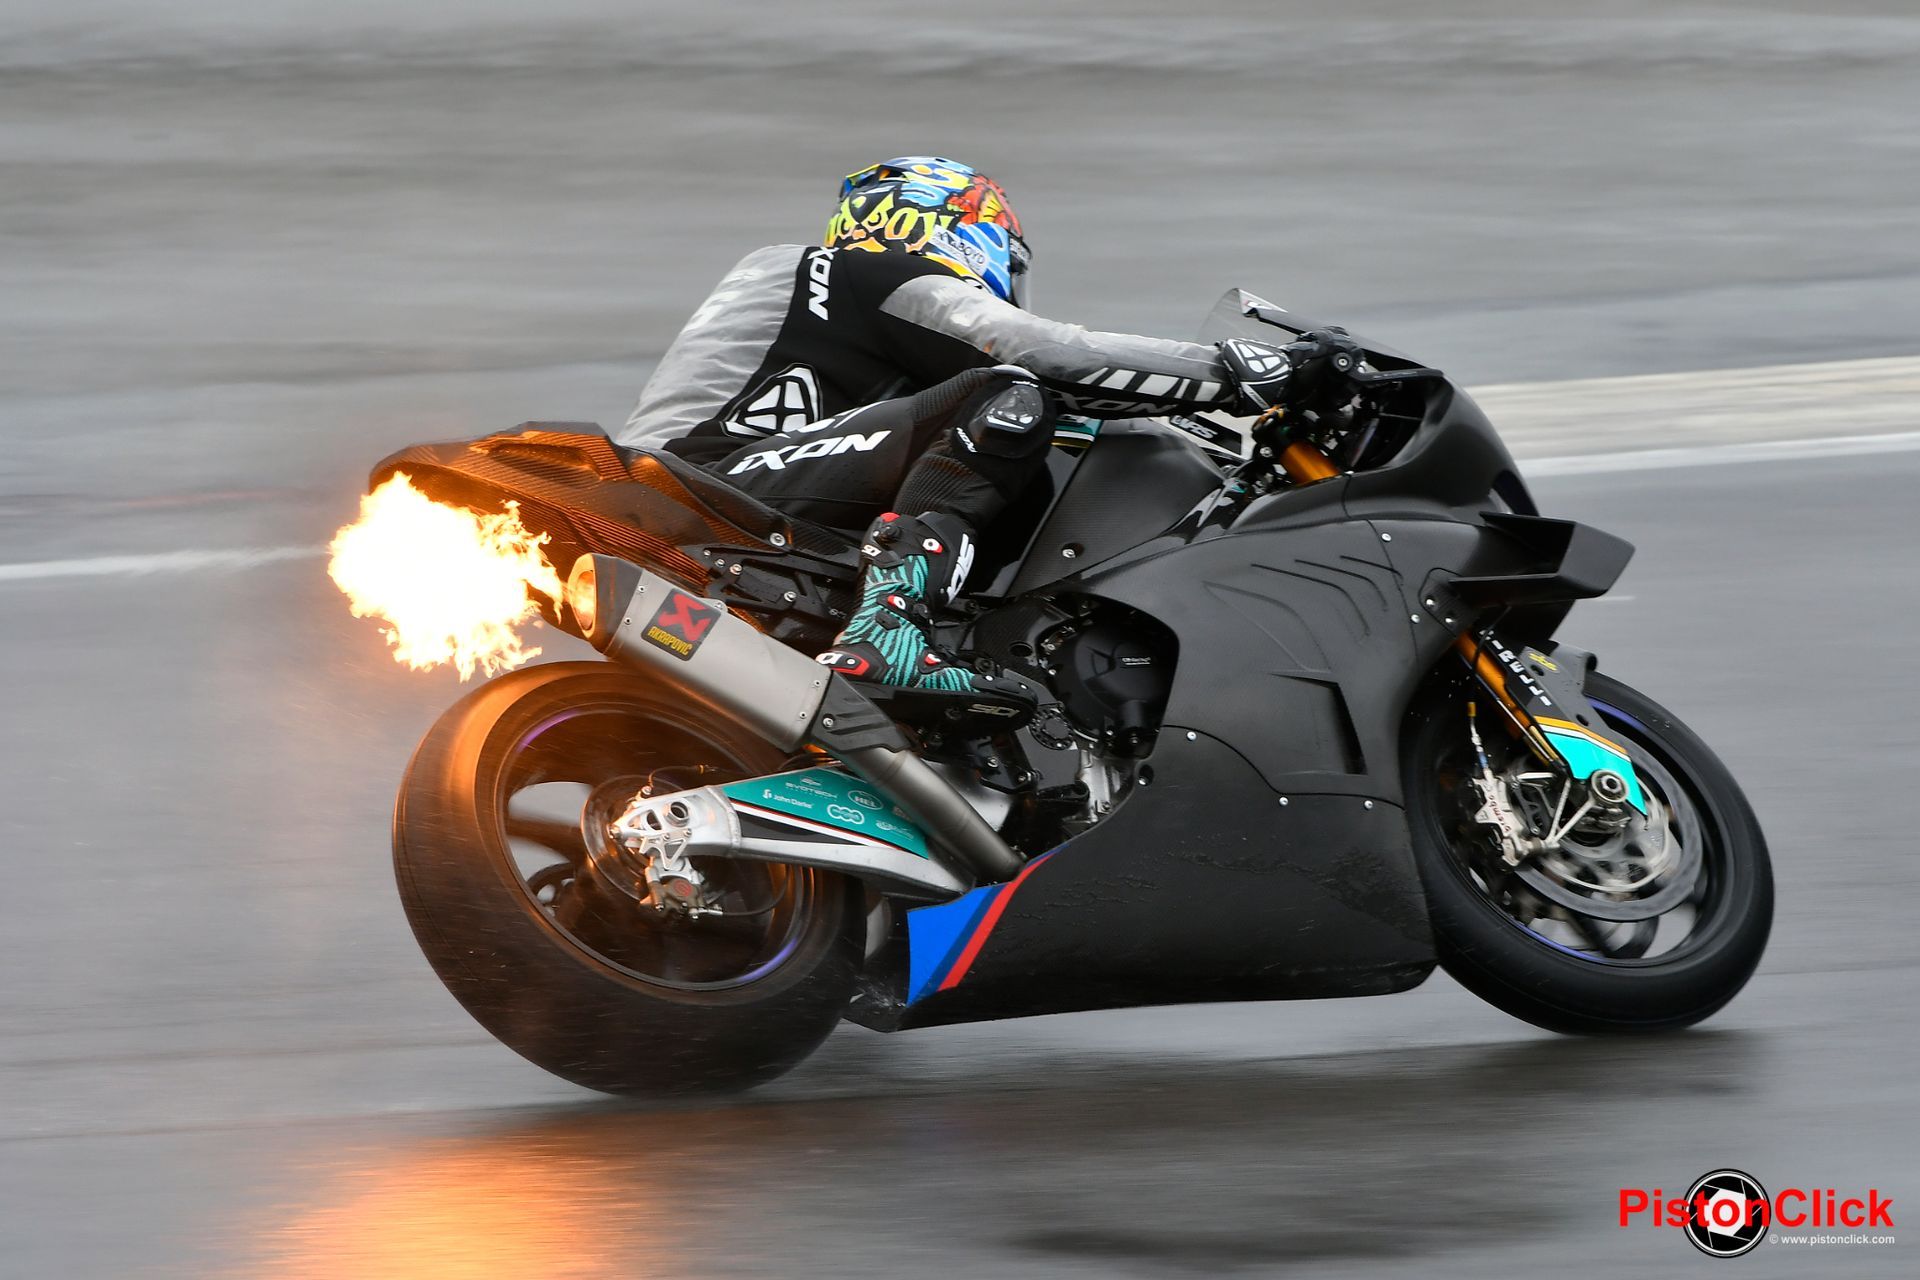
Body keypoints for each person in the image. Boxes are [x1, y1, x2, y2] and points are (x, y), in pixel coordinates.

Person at [621, 156, 1354, 701]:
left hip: (712, 500)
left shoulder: (847, 323)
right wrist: (1240, 369)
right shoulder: (859, 268)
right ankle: (889, 629)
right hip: (704, 485)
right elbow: (1047, 354)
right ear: (954, 225)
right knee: (1009, 394)